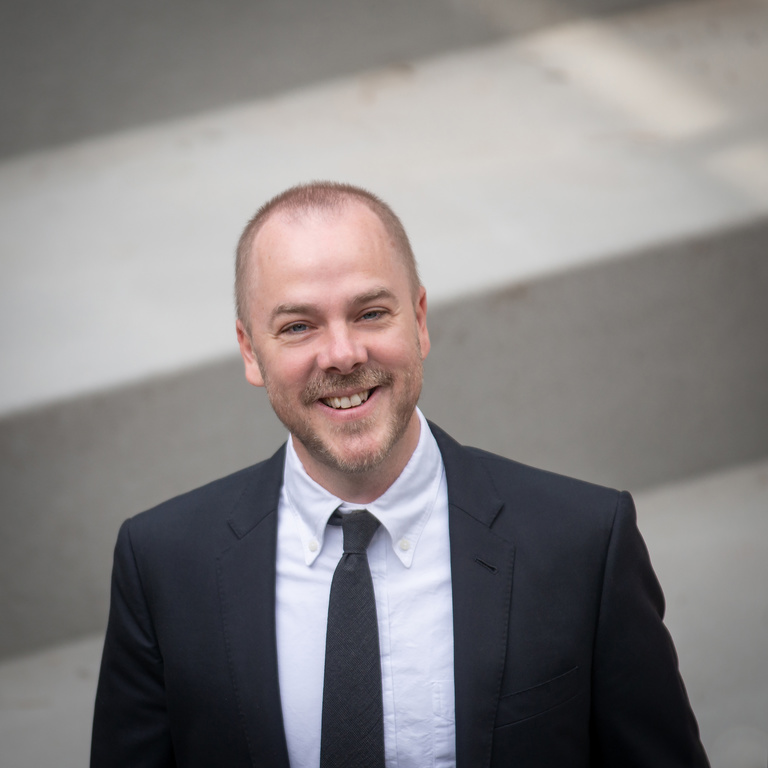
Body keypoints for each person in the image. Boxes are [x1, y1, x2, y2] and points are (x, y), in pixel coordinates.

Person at [91, 181, 710, 767]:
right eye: (298, 326)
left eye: (370, 313)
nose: (342, 354)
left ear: (418, 320)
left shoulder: (584, 542)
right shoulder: (161, 564)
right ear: (251, 350)